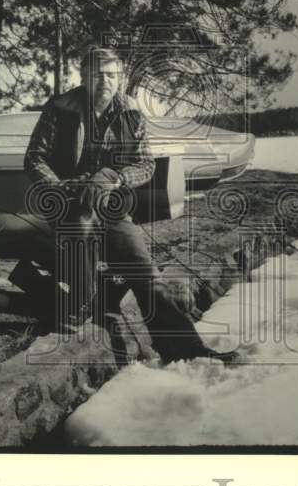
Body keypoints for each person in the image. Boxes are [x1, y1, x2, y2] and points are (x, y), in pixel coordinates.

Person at [20, 46, 237, 364]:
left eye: (111, 75)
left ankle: (189, 351)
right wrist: (60, 188)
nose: (104, 81)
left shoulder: (130, 113)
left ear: (119, 78)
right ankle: (80, 304)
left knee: (145, 272)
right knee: (80, 228)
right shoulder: (60, 109)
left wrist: (116, 179)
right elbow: (34, 158)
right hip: (68, 202)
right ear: (84, 76)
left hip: (112, 205)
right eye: (97, 74)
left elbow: (145, 164)